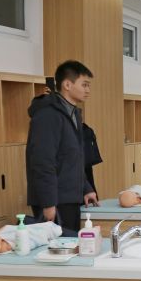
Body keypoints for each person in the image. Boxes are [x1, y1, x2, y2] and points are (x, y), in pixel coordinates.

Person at [26, 60, 98, 232]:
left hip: (70, 197)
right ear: (67, 85)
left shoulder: (73, 113)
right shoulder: (48, 115)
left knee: (71, 243)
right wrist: (48, 203)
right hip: (55, 200)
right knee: (57, 246)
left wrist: (86, 188)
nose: (88, 90)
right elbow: (43, 162)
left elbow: (74, 157)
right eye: (84, 85)